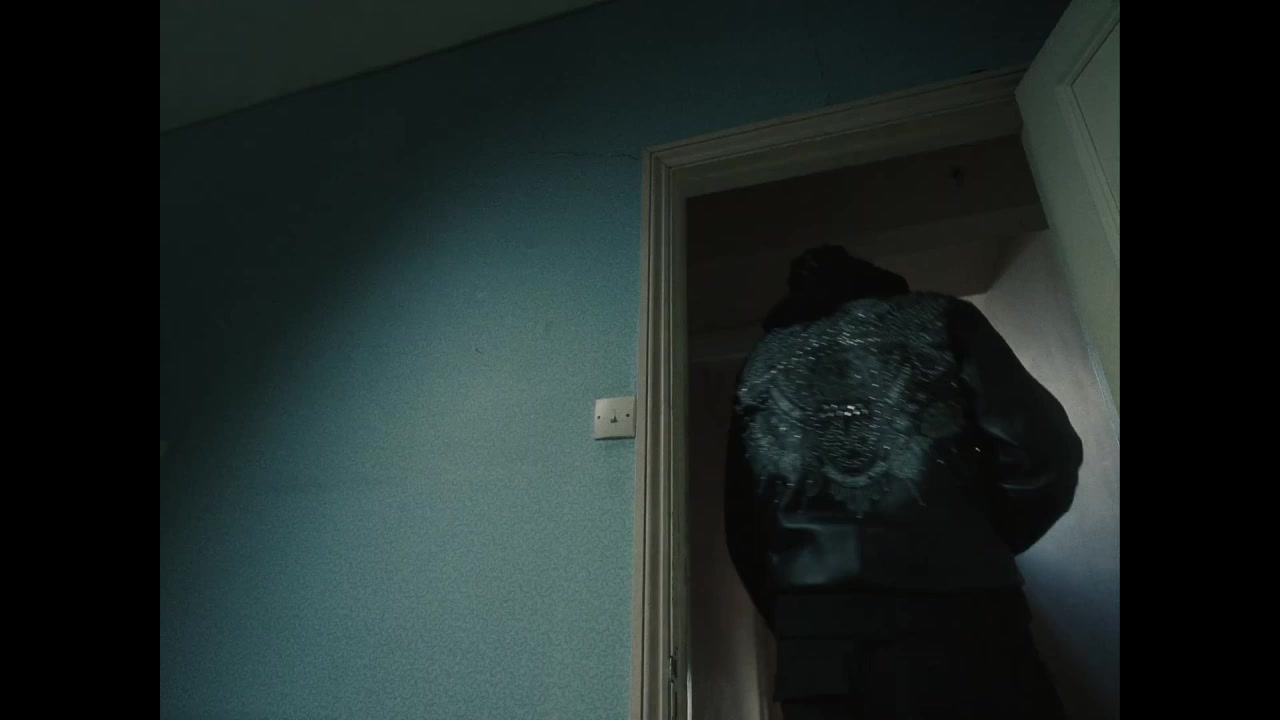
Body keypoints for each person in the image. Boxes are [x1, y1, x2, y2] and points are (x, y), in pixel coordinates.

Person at [724, 245, 1082, 719]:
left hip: (819, 648)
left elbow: (744, 524)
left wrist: (799, 619)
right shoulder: (940, 320)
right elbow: (1043, 452)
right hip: (966, 619)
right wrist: (984, 542)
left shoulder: (761, 362)